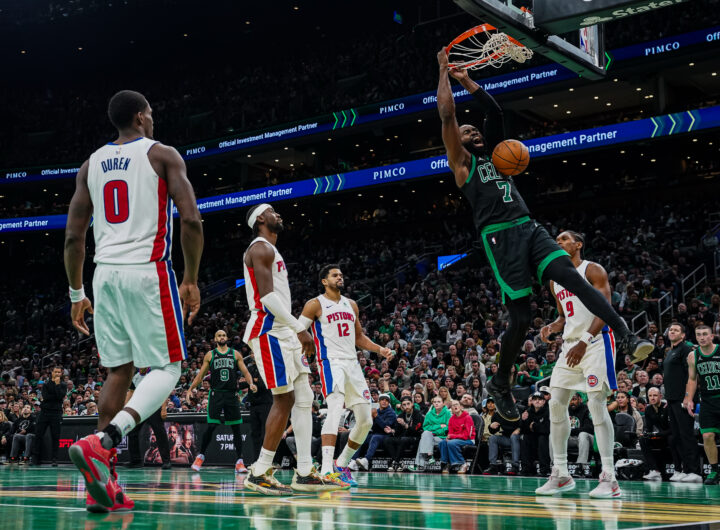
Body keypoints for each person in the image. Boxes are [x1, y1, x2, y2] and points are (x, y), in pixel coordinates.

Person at [435, 52, 652, 422]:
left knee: (572, 277)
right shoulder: (463, 164)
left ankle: (626, 334)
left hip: (528, 227)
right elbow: (447, 115)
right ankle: (500, 382)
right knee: (521, 318)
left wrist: (467, 80)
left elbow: (495, 112)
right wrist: (443, 72)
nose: (474, 133)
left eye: (476, 131)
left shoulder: (498, 156)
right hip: (500, 238)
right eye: (467, 132)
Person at [64, 90, 203, 513]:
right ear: (141, 117)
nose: (153, 120)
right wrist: (190, 278)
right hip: (147, 270)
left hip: (103, 275)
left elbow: (73, 237)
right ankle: (104, 441)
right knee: (169, 368)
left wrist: (76, 293)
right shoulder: (162, 154)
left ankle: (102, 486)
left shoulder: (90, 164)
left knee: (118, 371)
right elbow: (191, 220)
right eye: (152, 114)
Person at [242, 203, 338, 495]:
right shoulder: (260, 248)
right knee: (283, 399)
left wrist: (294, 328)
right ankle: (259, 471)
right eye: (272, 211)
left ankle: (305, 471)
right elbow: (267, 297)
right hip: (269, 330)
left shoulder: (271, 249)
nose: (279, 215)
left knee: (305, 397)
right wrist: (299, 328)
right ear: (261, 219)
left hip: (283, 329)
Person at [535, 231, 621, 498]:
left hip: (596, 342)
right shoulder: (555, 280)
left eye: (564, 239)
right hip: (570, 345)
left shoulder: (592, 270)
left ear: (578, 244)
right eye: (557, 240)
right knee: (555, 403)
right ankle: (561, 473)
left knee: (596, 404)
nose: (559, 242)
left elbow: (605, 310)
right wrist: (553, 326)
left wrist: (584, 340)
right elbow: (564, 317)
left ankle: (609, 477)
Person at [300, 264, 393, 486]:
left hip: (352, 363)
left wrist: (380, 349)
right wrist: (306, 344)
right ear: (324, 281)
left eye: (341, 275)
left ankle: (341, 464)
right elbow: (298, 328)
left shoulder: (351, 304)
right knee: (334, 409)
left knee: (366, 420)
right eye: (335, 275)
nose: (340, 277)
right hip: (330, 362)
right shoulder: (315, 304)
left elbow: (358, 337)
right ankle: (326, 469)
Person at [188, 330, 256, 474]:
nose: (222, 337)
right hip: (216, 394)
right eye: (219, 335)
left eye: (224, 335)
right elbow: (200, 376)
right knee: (211, 426)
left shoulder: (235, 354)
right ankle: (200, 457)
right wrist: (190, 389)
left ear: (227, 338)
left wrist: (250, 383)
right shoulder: (210, 355)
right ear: (215, 339)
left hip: (231, 394)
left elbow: (246, 372)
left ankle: (239, 461)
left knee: (236, 428)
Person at [662, 323, 701, 482]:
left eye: (676, 330)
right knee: (676, 437)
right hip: (672, 400)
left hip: (684, 399)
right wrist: (668, 398)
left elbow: (692, 376)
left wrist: (688, 397)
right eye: (671, 329)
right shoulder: (671, 351)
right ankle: (683, 470)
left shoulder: (686, 349)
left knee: (686, 435)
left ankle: (694, 471)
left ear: (683, 335)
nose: (672, 331)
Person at [684, 325, 720, 485]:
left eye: (705, 334)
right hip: (707, 401)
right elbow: (692, 379)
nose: (702, 337)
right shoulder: (693, 356)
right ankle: (714, 470)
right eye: (698, 334)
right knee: (707, 436)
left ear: (712, 336)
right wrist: (689, 398)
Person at [126, 368, 171, 469]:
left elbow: (163, 392)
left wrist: (164, 408)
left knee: (160, 433)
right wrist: (125, 407)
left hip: (154, 407)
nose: (142, 367)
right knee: (132, 432)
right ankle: (136, 461)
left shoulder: (154, 375)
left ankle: (166, 461)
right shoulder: (136, 376)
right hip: (140, 408)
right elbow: (131, 392)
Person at [31, 366, 66, 466]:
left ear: (61, 374)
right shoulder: (46, 384)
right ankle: (35, 459)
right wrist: (56, 395)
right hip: (44, 412)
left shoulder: (63, 385)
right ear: (52, 373)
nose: (57, 374)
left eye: (59, 372)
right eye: (55, 372)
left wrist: (57, 385)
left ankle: (54, 459)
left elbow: (60, 396)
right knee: (38, 435)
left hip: (56, 413)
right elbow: (46, 397)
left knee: (55, 437)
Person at [409, 395, 451, 472]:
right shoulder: (429, 414)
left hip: (442, 437)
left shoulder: (448, 413)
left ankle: (420, 464)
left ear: (443, 403)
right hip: (430, 436)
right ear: (432, 403)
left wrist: (434, 431)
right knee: (426, 434)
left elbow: (448, 427)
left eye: (439, 402)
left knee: (423, 440)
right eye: (435, 402)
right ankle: (429, 456)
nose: (436, 403)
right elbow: (425, 427)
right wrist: (439, 426)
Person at [245, 351, 273, 462]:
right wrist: (253, 380)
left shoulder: (266, 367)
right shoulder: (250, 368)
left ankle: (266, 460)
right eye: (251, 353)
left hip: (266, 404)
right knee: (254, 433)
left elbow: (264, 384)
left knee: (264, 433)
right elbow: (242, 383)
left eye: (254, 352)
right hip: (253, 405)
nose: (253, 355)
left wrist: (251, 381)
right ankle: (255, 460)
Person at [383, 396, 424, 471]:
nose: (406, 406)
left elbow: (416, 430)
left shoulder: (418, 414)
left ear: (412, 404)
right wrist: (392, 430)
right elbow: (397, 431)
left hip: (416, 437)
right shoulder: (401, 415)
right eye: (404, 405)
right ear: (402, 406)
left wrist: (404, 424)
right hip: (404, 437)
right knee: (387, 440)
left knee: (403, 439)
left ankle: (395, 462)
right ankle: (398, 462)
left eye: (408, 404)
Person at [641, 387, 671, 481]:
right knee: (643, 440)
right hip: (659, 436)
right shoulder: (648, 409)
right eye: (650, 396)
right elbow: (649, 427)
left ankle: (679, 469)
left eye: (655, 395)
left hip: (669, 435)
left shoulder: (667, 407)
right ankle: (654, 470)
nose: (652, 398)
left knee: (672, 438)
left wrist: (655, 435)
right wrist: (646, 433)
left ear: (660, 396)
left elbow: (672, 429)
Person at [439, 400, 475, 474]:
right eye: (453, 405)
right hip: (456, 439)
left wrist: (452, 436)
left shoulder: (467, 417)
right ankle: (447, 463)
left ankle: (463, 463)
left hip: (469, 440)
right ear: (451, 409)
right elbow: (450, 433)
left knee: (451, 443)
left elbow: (467, 435)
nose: (455, 406)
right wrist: (448, 437)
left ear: (461, 407)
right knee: (442, 442)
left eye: (456, 404)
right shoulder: (451, 419)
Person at [520, 392, 550, 476]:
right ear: (532, 401)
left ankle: (544, 469)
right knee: (525, 437)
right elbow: (524, 429)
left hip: (546, 438)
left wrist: (534, 426)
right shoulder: (528, 411)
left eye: (540, 399)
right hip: (533, 437)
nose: (537, 401)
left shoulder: (548, 411)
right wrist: (523, 420)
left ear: (544, 401)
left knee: (542, 438)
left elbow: (547, 429)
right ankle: (526, 468)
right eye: (535, 399)